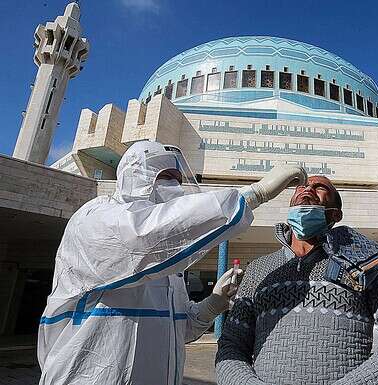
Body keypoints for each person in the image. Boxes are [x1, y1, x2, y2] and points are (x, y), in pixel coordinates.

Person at [37, 141, 306, 385]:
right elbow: (144, 237)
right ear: (134, 177)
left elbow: (181, 330)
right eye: (165, 178)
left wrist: (212, 304)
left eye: (178, 180)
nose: (175, 187)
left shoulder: (169, 270)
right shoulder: (95, 218)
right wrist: (253, 195)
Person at [216, 175, 378, 385]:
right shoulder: (258, 270)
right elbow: (231, 345)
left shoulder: (363, 264)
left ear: (335, 215)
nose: (308, 189)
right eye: (301, 186)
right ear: (291, 204)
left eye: (321, 188)